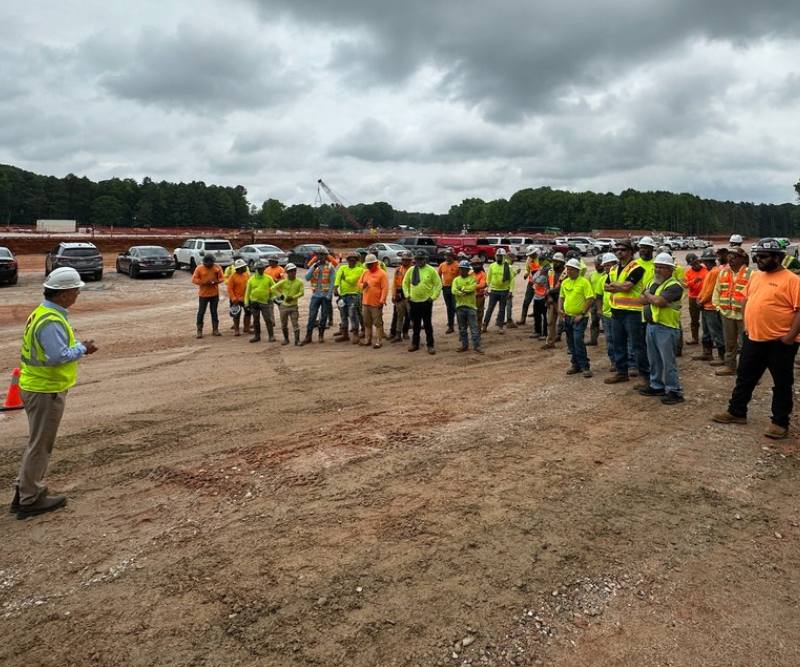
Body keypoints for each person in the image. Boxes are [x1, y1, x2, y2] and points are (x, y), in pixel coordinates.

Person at [12, 267, 98, 518]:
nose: (76, 295)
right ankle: (30, 498)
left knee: (37, 443)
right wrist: (83, 348)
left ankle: (24, 490)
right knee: (40, 445)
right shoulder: (50, 320)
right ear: (62, 294)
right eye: (75, 291)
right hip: (45, 390)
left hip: (38, 386)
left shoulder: (44, 313)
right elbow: (56, 357)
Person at [713, 238, 800, 439]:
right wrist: (747, 325)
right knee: (745, 377)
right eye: (756, 256)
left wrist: (789, 338)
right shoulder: (756, 277)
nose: (758, 260)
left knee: (782, 382)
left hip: (780, 342)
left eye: (763, 256)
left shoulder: (793, 281)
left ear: (778, 257)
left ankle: (780, 422)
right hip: (754, 338)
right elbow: (746, 299)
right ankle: (736, 412)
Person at [637, 253, 685, 404]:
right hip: (652, 326)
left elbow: (658, 301)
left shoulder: (674, 286)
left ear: (670, 269)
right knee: (654, 360)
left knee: (668, 362)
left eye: (661, 267)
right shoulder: (653, 283)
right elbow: (642, 300)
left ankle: (674, 391)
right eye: (656, 267)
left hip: (667, 328)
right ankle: (656, 385)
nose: (657, 270)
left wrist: (647, 294)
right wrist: (648, 295)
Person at [603, 240, 649, 384]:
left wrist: (616, 286)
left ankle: (645, 377)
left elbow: (627, 287)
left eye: (623, 249)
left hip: (632, 312)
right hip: (616, 312)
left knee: (637, 346)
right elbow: (606, 287)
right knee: (619, 344)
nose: (619, 252)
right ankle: (621, 372)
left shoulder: (637, 268)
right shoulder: (613, 269)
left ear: (630, 251)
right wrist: (619, 286)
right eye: (617, 249)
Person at [712, 247, 753, 376]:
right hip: (727, 314)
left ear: (742, 259)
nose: (731, 259)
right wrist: (718, 306)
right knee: (729, 342)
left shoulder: (751, 274)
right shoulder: (723, 273)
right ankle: (730, 366)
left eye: (734, 257)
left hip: (744, 315)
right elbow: (717, 291)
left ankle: (749, 371)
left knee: (746, 344)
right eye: (729, 256)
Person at [559, 258, 595, 378]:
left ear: (577, 270)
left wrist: (582, 313)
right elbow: (561, 297)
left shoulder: (584, 282)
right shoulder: (565, 282)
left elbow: (590, 298)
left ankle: (585, 366)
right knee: (571, 342)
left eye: (571, 269)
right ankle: (576, 365)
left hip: (580, 317)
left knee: (578, 340)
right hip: (567, 317)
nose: (568, 272)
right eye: (567, 269)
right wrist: (560, 309)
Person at [402, 250, 442, 354]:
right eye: (417, 259)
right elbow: (405, 283)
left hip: (426, 302)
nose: (419, 261)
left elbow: (438, 285)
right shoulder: (411, 270)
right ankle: (415, 344)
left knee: (427, 324)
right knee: (416, 324)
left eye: (421, 259)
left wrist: (433, 297)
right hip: (414, 301)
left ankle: (430, 345)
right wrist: (407, 295)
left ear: (425, 259)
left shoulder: (431, 270)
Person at [695, 248, 726, 363]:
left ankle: (722, 357)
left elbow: (710, 291)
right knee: (707, 331)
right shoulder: (711, 272)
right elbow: (705, 289)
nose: (704, 264)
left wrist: (701, 300)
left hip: (711, 307)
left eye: (705, 262)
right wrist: (700, 299)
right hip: (706, 306)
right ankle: (707, 353)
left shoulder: (714, 272)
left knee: (716, 332)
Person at [302, 253, 336, 345]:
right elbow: (307, 277)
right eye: (319, 256)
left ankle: (321, 335)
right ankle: (308, 336)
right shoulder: (314, 266)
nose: (321, 258)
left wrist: (329, 295)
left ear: (326, 257)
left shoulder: (330, 267)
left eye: (323, 256)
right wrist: (314, 267)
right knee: (312, 316)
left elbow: (333, 282)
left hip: (325, 296)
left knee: (324, 316)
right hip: (315, 295)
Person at [358, 254, 389, 348]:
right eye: (367, 264)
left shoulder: (382, 274)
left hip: (376, 303)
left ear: (376, 263)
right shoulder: (365, 272)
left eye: (371, 264)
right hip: (365, 302)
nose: (369, 266)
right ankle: (368, 340)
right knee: (367, 322)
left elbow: (385, 288)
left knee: (378, 323)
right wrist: (363, 285)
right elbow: (358, 283)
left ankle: (379, 341)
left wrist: (382, 300)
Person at [452, 260, 483, 353]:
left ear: (468, 270)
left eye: (465, 269)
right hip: (460, 306)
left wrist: (461, 289)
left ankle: (477, 346)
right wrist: (464, 291)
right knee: (462, 329)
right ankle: (464, 345)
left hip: (470, 307)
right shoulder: (456, 280)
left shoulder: (472, 279)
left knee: (474, 328)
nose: (462, 271)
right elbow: (453, 291)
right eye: (461, 269)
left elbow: (472, 288)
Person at [333, 252, 364, 343]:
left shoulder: (360, 270)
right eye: (350, 259)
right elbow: (338, 278)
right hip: (342, 296)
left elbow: (353, 281)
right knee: (343, 315)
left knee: (353, 315)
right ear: (347, 260)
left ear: (356, 261)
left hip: (354, 295)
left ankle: (355, 334)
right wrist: (335, 288)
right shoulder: (342, 268)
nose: (351, 261)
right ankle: (345, 334)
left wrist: (345, 278)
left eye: (353, 260)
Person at [192, 253, 225, 338]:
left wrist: (216, 281)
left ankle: (215, 329)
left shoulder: (217, 268)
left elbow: (222, 278)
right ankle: (199, 331)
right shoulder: (199, 268)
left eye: (211, 264)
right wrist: (203, 282)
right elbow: (194, 279)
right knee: (201, 312)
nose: (209, 265)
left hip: (214, 294)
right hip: (203, 295)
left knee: (214, 312)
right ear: (204, 262)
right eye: (207, 264)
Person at [273, 263, 305, 346]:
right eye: (290, 271)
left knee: (295, 324)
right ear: (287, 272)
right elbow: (273, 288)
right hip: (284, 306)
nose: (292, 273)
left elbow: (302, 293)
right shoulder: (283, 282)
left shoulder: (299, 282)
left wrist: (293, 297)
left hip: (294, 306)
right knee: (284, 324)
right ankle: (286, 339)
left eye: (294, 271)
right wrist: (281, 296)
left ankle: (297, 340)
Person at [482, 248, 512, 333]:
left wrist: (511, 291)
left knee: (502, 309)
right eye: (498, 256)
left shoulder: (508, 266)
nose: (499, 257)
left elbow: (511, 279)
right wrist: (486, 288)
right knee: (490, 308)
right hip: (494, 291)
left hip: (504, 291)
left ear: (504, 257)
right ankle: (485, 325)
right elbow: (489, 278)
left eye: (501, 256)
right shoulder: (492, 266)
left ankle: (500, 326)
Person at [245, 260, 276, 343]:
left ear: (264, 269)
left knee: (268, 319)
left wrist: (272, 297)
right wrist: (246, 302)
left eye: (262, 269)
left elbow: (274, 288)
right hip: (254, 302)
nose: (261, 270)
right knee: (255, 320)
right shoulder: (251, 279)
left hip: (265, 302)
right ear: (256, 269)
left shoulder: (268, 278)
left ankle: (271, 336)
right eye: (259, 269)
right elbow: (247, 292)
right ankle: (257, 336)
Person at [541, 252, 566, 349]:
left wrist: (550, 292)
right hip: (552, 300)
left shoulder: (566, 273)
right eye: (554, 261)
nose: (555, 263)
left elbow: (562, 288)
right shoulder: (550, 272)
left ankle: (570, 343)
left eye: (557, 262)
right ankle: (550, 342)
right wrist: (549, 297)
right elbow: (547, 285)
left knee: (564, 322)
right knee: (550, 322)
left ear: (562, 263)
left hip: (562, 300)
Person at [599, 253, 619, 370]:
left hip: (619, 313)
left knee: (622, 339)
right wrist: (599, 309)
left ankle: (626, 363)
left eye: (609, 265)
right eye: (605, 266)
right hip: (606, 314)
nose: (607, 267)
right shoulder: (602, 280)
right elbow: (598, 296)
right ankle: (614, 362)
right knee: (610, 340)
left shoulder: (621, 277)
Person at [683, 253, 707, 345]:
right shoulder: (688, 272)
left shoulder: (706, 270)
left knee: (707, 320)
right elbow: (685, 285)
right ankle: (695, 338)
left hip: (705, 297)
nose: (695, 264)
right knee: (694, 320)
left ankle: (708, 338)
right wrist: (694, 281)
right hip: (693, 298)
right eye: (693, 263)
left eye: (696, 262)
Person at [389, 251, 412, 343]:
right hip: (399, 295)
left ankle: (405, 332)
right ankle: (395, 333)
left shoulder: (413, 270)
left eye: (407, 260)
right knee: (397, 315)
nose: (405, 261)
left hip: (409, 295)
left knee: (408, 316)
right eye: (404, 260)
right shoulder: (398, 270)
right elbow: (394, 283)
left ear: (410, 260)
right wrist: (393, 295)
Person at [226, 259, 251, 336]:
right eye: (244, 267)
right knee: (236, 315)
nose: (245, 268)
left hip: (245, 298)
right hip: (236, 299)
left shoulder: (246, 275)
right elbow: (229, 289)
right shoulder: (232, 277)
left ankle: (246, 328)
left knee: (248, 313)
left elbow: (249, 286)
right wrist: (233, 298)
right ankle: (236, 330)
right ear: (239, 268)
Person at [438, 250, 460, 334]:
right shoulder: (442, 265)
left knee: (455, 307)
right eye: (446, 255)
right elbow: (438, 275)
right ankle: (450, 326)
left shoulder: (457, 265)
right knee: (449, 307)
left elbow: (461, 277)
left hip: (454, 288)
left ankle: (460, 324)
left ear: (452, 256)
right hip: (446, 288)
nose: (447, 257)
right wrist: (441, 284)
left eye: (449, 255)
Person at [517, 246, 540, 325]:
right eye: (529, 255)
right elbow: (527, 269)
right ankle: (522, 319)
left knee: (539, 301)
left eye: (532, 254)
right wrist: (526, 273)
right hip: (531, 282)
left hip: (540, 284)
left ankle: (537, 316)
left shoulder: (541, 259)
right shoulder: (529, 259)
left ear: (535, 253)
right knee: (527, 300)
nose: (530, 256)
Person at [530, 253, 550, 339]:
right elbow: (533, 278)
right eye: (540, 259)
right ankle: (537, 331)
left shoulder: (548, 270)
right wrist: (535, 278)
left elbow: (538, 281)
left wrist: (536, 278)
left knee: (545, 317)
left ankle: (545, 334)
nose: (540, 261)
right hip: (537, 296)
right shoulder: (541, 269)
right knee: (537, 315)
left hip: (544, 297)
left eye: (542, 260)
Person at [588, 255, 606, 346]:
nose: (597, 266)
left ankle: (609, 341)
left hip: (604, 301)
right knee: (594, 321)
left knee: (606, 322)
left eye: (599, 264)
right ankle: (593, 339)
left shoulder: (607, 275)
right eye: (596, 264)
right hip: (594, 301)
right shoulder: (592, 275)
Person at [470, 256, 487, 325]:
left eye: (478, 264)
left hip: (479, 297)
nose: (476, 266)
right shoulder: (470, 274)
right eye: (474, 264)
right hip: (471, 297)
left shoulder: (483, 274)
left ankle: (478, 331)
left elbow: (482, 285)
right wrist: (476, 285)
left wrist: (471, 286)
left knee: (479, 315)